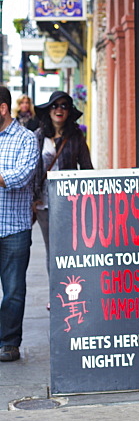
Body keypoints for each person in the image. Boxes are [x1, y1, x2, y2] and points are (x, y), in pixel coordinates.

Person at [0, 85, 39, 362]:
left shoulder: (26, 139)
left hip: (14, 227)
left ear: (2, 108)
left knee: (13, 290)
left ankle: (8, 342)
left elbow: (22, 177)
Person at [33, 91, 93, 260]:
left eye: (64, 106)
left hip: (70, 202)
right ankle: (55, 286)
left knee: (69, 249)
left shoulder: (75, 137)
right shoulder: (38, 136)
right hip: (43, 203)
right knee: (52, 251)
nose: (59, 109)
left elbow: (87, 168)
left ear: (69, 112)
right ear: (48, 110)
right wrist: (33, 198)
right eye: (55, 105)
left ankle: (71, 285)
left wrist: (86, 198)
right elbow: (30, 170)